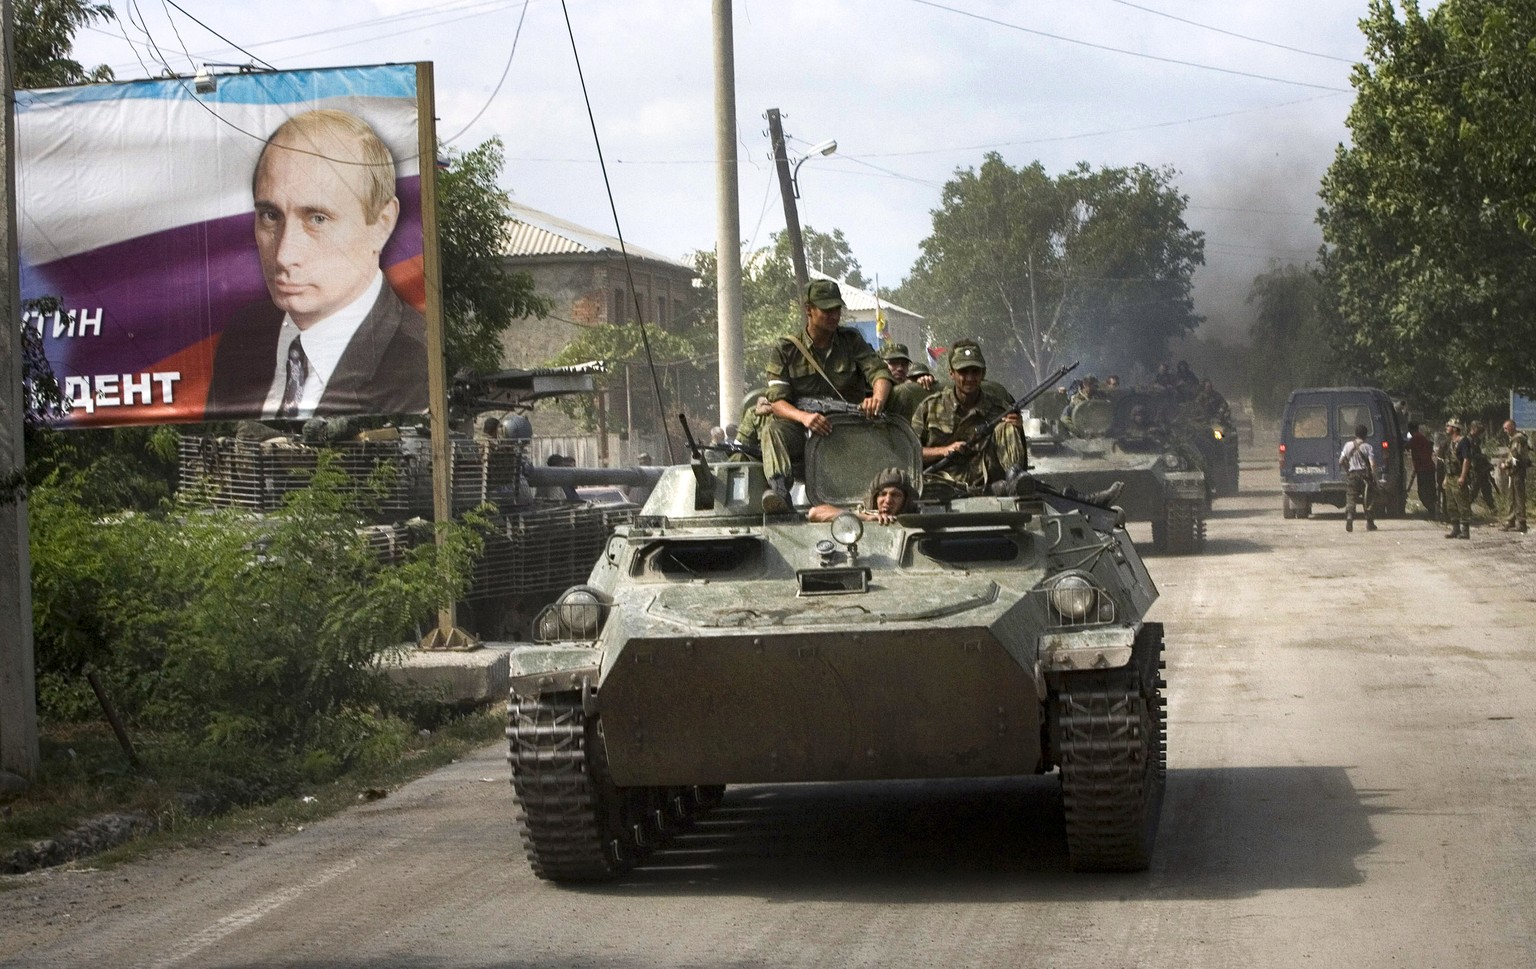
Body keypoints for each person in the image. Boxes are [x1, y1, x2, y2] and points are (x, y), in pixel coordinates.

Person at [207, 109, 428, 420]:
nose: (283, 256)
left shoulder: (417, 362)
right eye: (270, 215)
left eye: (317, 219)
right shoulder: (243, 339)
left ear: (382, 222)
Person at [760, 279, 892, 513]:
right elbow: (777, 402)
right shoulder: (786, 349)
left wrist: (878, 398)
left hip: (850, 428)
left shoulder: (851, 341)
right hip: (805, 430)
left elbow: (879, 372)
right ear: (808, 309)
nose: (833, 315)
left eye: (837, 309)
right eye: (826, 309)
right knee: (773, 429)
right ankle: (780, 493)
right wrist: (804, 417)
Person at [910, 341, 1026, 494]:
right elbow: (910, 454)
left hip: (991, 486)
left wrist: (1018, 428)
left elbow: (1019, 451)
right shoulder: (929, 408)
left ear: (983, 374)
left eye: (975, 371)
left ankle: (1016, 482)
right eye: (963, 372)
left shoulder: (1000, 409)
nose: (970, 378)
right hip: (941, 486)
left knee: (1008, 426)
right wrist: (944, 450)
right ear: (952, 373)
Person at [807, 467, 917, 525]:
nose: (887, 500)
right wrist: (865, 518)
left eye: (895, 495)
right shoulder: (865, 515)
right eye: (882, 494)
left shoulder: (916, 519)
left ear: (906, 500)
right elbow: (814, 513)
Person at [1339, 423, 1378, 532]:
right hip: (1365, 477)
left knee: (1351, 497)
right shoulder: (1368, 447)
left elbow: (1341, 461)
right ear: (1365, 435)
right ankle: (1370, 523)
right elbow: (1372, 464)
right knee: (1368, 499)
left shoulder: (1347, 445)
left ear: (1355, 434)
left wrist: (1348, 471)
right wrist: (1375, 478)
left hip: (1352, 475)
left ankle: (1350, 516)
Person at [884, 343, 936, 422]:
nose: (900, 368)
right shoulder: (869, 390)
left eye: (904, 364)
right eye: (893, 363)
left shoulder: (910, 388)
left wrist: (922, 383)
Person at [1443, 418, 1473, 539]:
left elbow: (1467, 459)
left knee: (1462, 504)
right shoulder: (1451, 442)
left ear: (1455, 428)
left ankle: (1465, 531)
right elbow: (1448, 461)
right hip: (1450, 476)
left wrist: (1462, 476)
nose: (1446, 428)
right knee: (1451, 505)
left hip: (1458, 476)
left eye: (1448, 426)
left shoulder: (1463, 441)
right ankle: (1455, 529)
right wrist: (1445, 478)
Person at [1404, 421, 1438, 520]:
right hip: (1427, 468)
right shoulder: (1420, 437)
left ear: (1410, 430)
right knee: (1429, 491)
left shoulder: (1416, 438)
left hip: (1424, 469)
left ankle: (1433, 511)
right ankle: (1433, 512)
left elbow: (1406, 446)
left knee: (1423, 493)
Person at [1500, 419, 1529, 533]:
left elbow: (1515, 456)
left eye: (1506, 428)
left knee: (1518, 497)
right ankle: (1511, 520)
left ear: (1512, 427)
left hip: (1517, 472)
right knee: (1511, 496)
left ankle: (1521, 523)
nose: (1505, 431)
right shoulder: (1515, 439)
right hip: (1514, 472)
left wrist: (1506, 464)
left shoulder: (1517, 439)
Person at [1467, 421, 1498, 511]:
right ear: (1473, 428)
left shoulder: (1476, 439)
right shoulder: (1469, 440)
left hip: (1481, 468)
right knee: (1473, 490)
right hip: (1474, 469)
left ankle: (1492, 507)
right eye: (1478, 429)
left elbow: (1477, 453)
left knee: (1486, 488)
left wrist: (1486, 463)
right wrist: (1483, 457)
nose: (1480, 432)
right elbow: (1471, 455)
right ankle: (1465, 509)